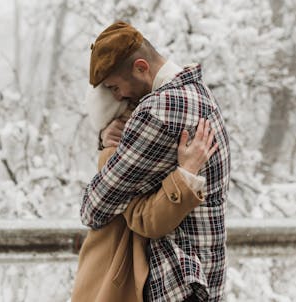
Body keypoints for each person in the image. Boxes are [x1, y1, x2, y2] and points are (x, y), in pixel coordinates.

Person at [80, 21, 231, 301]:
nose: (119, 97)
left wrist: (107, 150)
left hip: (177, 281)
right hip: (205, 276)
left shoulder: (158, 111)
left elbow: (94, 209)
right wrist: (107, 137)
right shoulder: (199, 93)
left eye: (115, 86)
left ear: (141, 67)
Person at [72, 100, 217, 301]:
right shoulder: (117, 154)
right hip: (113, 285)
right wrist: (187, 174)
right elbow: (146, 220)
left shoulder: (121, 149)